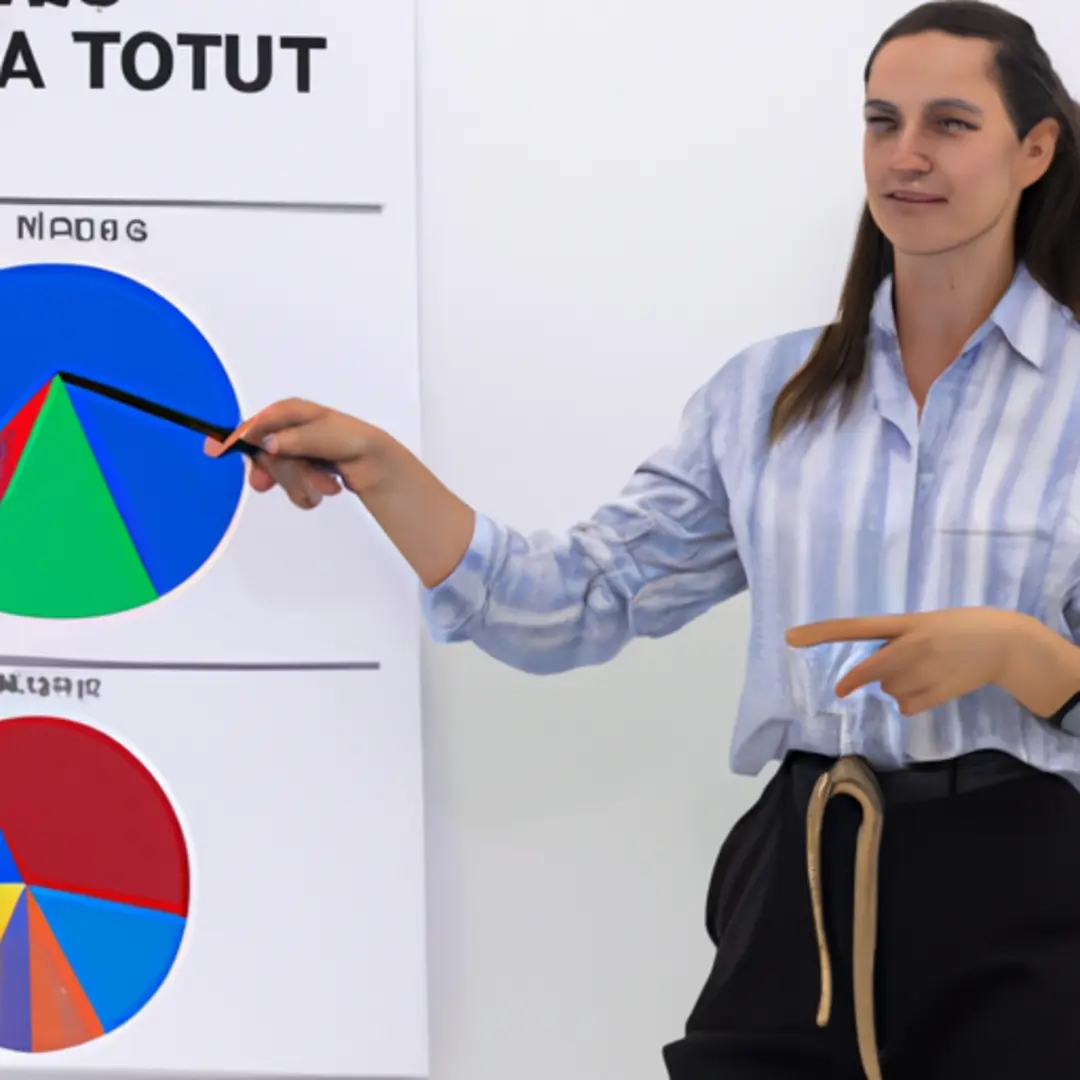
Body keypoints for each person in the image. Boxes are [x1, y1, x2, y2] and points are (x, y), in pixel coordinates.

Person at [208, 2, 1080, 1076]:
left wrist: (1024, 658)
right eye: (880, 120)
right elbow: (577, 596)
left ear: (1035, 148)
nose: (906, 155)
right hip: (799, 888)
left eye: (951, 122)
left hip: (1030, 899)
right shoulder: (766, 397)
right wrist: (384, 469)